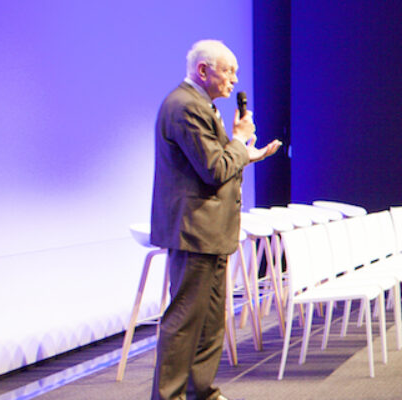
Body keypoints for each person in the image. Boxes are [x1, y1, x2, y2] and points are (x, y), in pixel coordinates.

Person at [150, 39, 281, 400]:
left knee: (209, 321)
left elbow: (217, 164)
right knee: (184, 322)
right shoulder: (184, 107)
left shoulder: (200, 105)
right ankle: (170, 396)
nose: (234, 80)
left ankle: (202, 391)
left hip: (210, 231)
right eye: (229, 71)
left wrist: (245, 154)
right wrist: (238, 143)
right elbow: (213, 169)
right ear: (203, 70)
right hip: (195, 230)